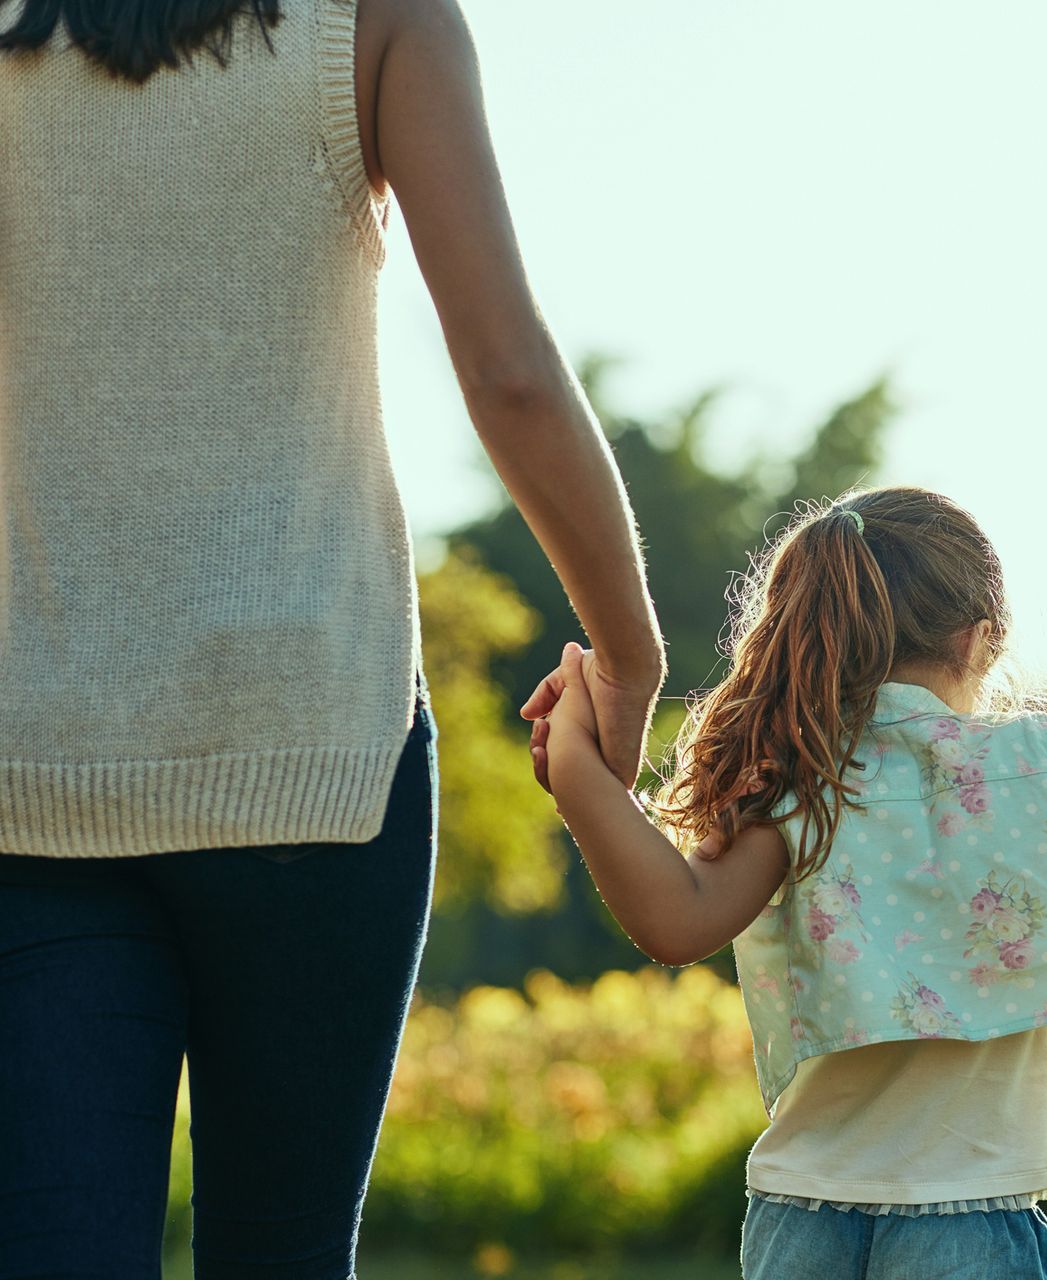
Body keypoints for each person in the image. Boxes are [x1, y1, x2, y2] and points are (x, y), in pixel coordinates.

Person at [0, 0, 663, 1274]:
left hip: (40, 766)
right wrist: (628, 652)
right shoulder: (377, 18)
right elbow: (507, 369)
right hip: (318, 757)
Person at [529, 486, 1047, 1280]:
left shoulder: (800, 772)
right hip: (968, 1215)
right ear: (980, 639)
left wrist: (579, 768)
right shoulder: (1028, 761)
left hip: (799, 1211)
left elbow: (676, 924)